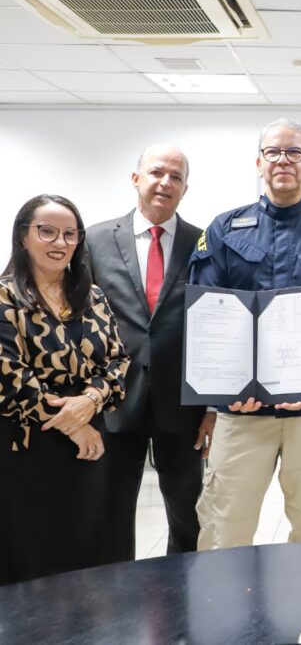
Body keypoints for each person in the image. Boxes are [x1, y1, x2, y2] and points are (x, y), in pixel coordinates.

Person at [189, 118, 301, 550]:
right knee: (224, 530)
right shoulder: (222, 230)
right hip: (242, 410)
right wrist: (226, 386)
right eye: (273, 152)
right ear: (258, 162)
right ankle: (222, 618)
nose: (283, 160)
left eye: (295, 152)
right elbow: (208, 317)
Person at [85, 145, 213, 561]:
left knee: (189, 514)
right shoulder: (96, 239)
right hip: (115, 400)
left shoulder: (204, 243)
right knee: (111, 511)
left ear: (186, 188)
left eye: (176, 177)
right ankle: (116, 599)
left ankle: (185, 598)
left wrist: (212, 407)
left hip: (183, 404)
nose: (166, 182)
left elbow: (215, 326)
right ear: (136, 178)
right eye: (157, 172)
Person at [0, 195, 130, 584]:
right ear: (24, 237)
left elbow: (119, 361)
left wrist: (90, 401)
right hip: (29, 445)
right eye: (47, 232)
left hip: (90, 447)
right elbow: (8, 374)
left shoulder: (91, 295)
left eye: (70, 234)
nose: (60, 242)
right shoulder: (5, 296)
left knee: (86, 549)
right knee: (34, 553)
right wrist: (73, 424)